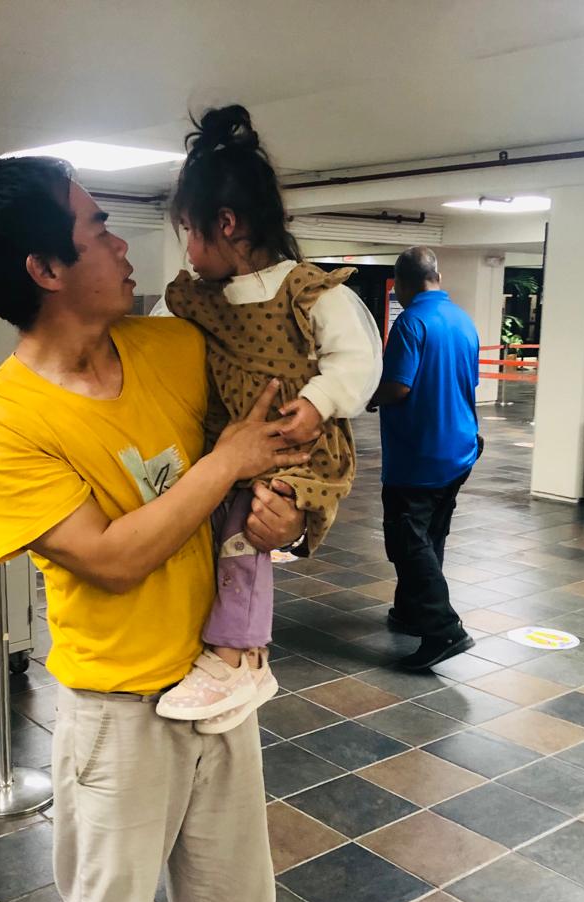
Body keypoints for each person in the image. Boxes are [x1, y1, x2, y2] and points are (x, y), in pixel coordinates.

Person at [0, 156, 306, 902]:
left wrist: (286, 519)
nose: (124, 244)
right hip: (119, 711)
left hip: (219, 684)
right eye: (97, 227)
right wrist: (226, 465)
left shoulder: (174, 346)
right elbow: (108, 559)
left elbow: (263, 457)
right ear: (46, 269)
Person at [154, 104, 382, 731]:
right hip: (230, 444)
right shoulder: (199, 298)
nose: (189, 252)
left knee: (243, 533)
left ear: (226, 224)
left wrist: (316, 404)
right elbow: (153, 338)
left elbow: (358, 360)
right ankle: (225, 648)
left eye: (190, 234)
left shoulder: (308, 291)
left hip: (293, 448)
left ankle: (237, 657)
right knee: (211, 527)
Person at [368, 246, 481, 670]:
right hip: (460, 447)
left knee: (407, 539)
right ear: (437, 274)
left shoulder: (411, 322)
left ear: (401, 284)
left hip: (420, 454)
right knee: (430, 535)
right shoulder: (462, 320)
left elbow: (398, 386)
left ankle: (443, 629)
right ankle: (411, 611)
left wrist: (364, 398)